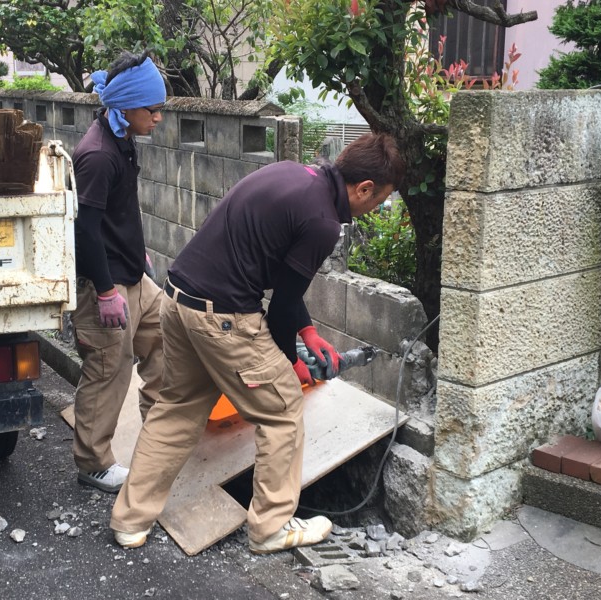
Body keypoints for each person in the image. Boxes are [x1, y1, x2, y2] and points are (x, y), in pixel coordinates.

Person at [109, 133, 406, 553]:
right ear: (364, 188)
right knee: (283, 411)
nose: (376, 208)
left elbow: (284, 286)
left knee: (176, 408)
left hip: (177, 299)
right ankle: (270, 528)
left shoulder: (291, 174)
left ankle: (129, 521)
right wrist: (290, 366)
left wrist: (307, 332)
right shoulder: (323, 222)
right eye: (381, 199)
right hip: (222, 317)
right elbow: (281, 307)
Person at [70, 50, 167, 493]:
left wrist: (138, 252)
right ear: (126, 106)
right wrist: (106, 291)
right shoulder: (97, 155)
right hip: (105, 283)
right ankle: (93, 463)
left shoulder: (122, 136)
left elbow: (120, 211)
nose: (159, 118)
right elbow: (86, 231)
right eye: (153, 109)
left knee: (168, 341)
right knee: (109, 369)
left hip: (133, 276)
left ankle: (161, 436)